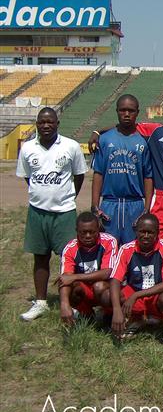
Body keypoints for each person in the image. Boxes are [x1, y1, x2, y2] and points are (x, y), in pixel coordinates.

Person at [90, 96, 163, 253]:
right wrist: (97, 132)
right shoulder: (154, 130)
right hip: (161, 196)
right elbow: (127, 124)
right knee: (156, 244)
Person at [17, 107, 87, 321]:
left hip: (64, 212)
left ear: (57, 123)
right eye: (41, 122)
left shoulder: (71, 146)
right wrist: (42, 196)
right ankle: (40, 302)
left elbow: (79, 175)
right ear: (37, 124)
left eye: (50, 122)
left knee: (70, 259)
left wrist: (66, 197)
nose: (45, 125)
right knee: (40, 257)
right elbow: (28, 178)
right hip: (37, 211)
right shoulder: (27, 148)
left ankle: (75, 304)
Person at [91, 94, 153, 244]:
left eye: (131, 110)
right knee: (108, 251)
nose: (126, 114)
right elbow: (98, 174)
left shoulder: (143, 141)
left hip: (135, 205)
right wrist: (95, 206)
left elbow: (148, 177)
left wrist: (146, 208)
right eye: (122, 110)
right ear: (117, 111)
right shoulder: (105, 140)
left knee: (133, 252)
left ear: (137, 112)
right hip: (109, 205)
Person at [109, 214, 163, 343]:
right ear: (136, 231)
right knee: (112, 295)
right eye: (142, 231)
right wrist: (116, 310)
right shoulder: (126, 249)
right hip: (135, 292)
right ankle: (135, 319)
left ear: (157, 233)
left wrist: (136, 295)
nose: (146, 236)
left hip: (157, 294)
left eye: (150, 232)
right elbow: (115, 279)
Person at [57, 212, 118, 325]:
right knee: (70, 287)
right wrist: (64, 304)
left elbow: (107, 272)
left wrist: (75, 276)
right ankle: (86, 314)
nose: (88, 236)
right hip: (85, 289)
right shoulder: (70, 248)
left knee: (99, 286)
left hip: (104, 286)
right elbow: (65, 279)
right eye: (83, 232)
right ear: (77, 231)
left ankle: (109, 314)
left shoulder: (109, 241)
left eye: (92, 232)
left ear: (98, 229)